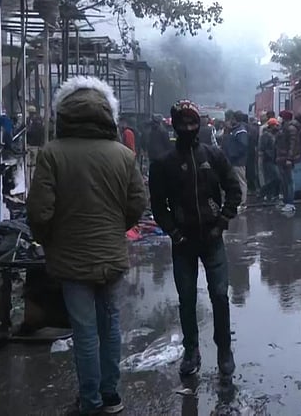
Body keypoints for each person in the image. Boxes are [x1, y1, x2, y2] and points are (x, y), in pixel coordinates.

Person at [27, 76, 148, 415]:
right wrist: (116, 227)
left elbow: (39, 211)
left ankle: (90, 400)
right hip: (111, 255)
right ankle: (111, 396)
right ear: (107, 114)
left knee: (84, 331)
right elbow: (138, 202)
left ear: (62, 114)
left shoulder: (52, 154)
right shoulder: (123, 155)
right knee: (110, 325)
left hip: (70, 260)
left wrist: (49, 239)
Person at [149, 100, 241, 382]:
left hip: (213, 240)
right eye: (183, 123)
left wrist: (223, 222)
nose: (188, 128)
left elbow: (234, 190)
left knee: (220, 296)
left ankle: (224, 351)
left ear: (199, 124)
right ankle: (191, 352)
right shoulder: (164, 164)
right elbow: (158, 206)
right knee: (186, 299)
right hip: (183, 244)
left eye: (192, 123)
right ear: (174, 124)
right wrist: (174, 233)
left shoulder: (214, 156)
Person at [222, 111, 249, 212]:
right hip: (233, 160)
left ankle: (242, 203)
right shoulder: (235, 130)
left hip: (238, 161)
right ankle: (238, 201)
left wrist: (233, 155)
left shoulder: (240, 131)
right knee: (236, 181)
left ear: (234, 119)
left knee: (241, 181)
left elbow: (243, 146)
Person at [275, 110, 299, 213]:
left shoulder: (291, 129)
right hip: (282, 158)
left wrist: (289, 158)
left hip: (286, 159)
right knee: (284, 181)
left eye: (280, 117)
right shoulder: (283, 128)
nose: (279, 119)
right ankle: (286, 201)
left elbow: (292, 145)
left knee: (289, 181)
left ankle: (290, 203)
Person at [259, 117, 281, 202]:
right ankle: (264, 193)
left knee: (274, 178)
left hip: (274, 159)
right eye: (276, 125)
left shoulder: (274, 134)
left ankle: (268, 195)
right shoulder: (266, 135)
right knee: (273, 178)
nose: (277, 127)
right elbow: (263, 148)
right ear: (271, 125)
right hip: (268, 160)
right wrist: (269, 155)